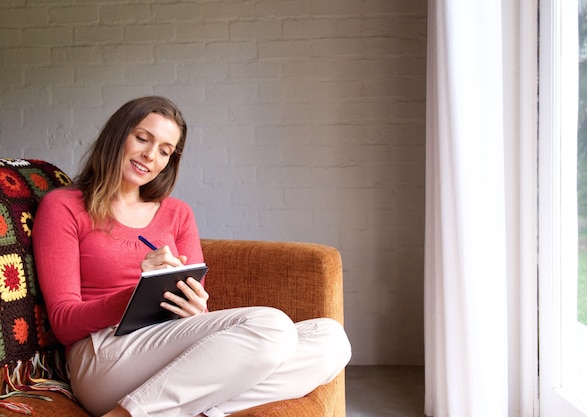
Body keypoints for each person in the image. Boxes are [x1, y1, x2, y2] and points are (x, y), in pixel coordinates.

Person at [32, 96, 351, 417]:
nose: (150, 155)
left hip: (170, 353)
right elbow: (64, 323)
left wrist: (196, 310)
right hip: (103, 355)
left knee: (331, 339)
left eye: (164, 150)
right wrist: (140, 293)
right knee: (273, 327)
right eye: (142, 138)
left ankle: (182, 412)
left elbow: (200, 319)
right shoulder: (64, 206)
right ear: (117, 135)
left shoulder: (177, 214)